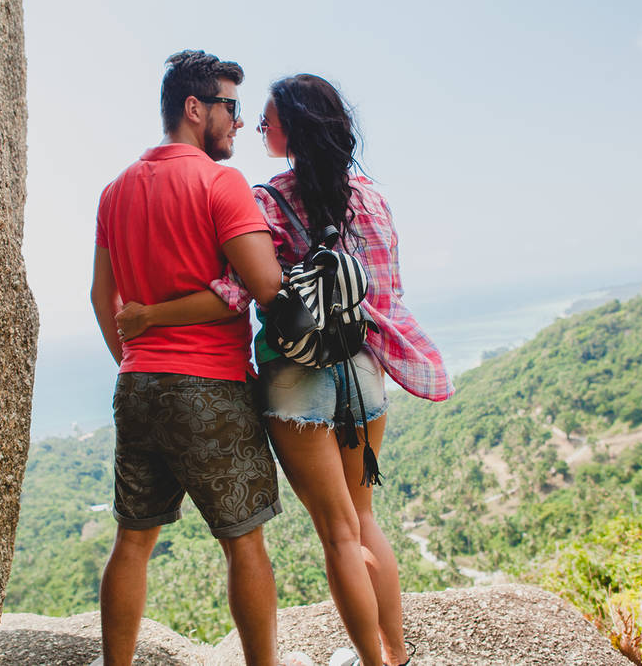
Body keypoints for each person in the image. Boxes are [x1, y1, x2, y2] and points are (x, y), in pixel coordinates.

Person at [118, 74, 453, 666]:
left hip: (296, 376)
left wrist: (149, 316)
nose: (258, 126)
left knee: (337, 534)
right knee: (363, 520)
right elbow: (389, 293)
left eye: (267, 119)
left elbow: (239, 289)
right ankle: (396, 657)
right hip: (362, 368)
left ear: (293, 129)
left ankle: (372, 661)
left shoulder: (268, 200)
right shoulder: (371, 199)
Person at [90, 50, 286, 666]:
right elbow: (265, 284)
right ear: (194, 108)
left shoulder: (115, 190)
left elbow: (101, 296)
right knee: (244, 543)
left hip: (137, 384)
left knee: (132, 541)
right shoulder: (220, 183)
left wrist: (136, 356)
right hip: (210, 386)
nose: (238, 121)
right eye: (231, 107)